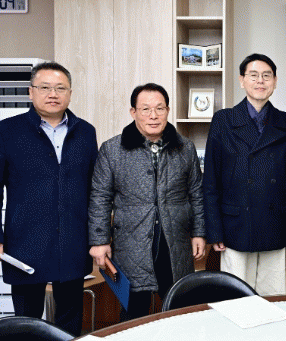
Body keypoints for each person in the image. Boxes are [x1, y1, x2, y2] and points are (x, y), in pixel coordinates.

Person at [0, 62, 98, 336]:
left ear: (70, 94)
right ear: (31, 92)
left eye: (60, 88)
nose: (53, 94)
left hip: (73, 241)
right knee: (27, 323)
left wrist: (99, 237)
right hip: (25, 244)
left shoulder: (86, 132)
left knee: (69, 323)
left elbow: (95, 190)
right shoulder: (5, 131)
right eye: (45, 87)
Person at [88, 83, 206, 320]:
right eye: (145, 109)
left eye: (160, 108)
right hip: (131, 243)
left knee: (179, 311)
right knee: (134, 313)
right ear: (133, 112)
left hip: (175, 242)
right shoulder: (112, 149)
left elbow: (196, 193)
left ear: (168, 111)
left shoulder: (185, 147)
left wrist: (199, 233)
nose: (153, 115)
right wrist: (99, 240)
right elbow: (100, 197)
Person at [203, 54, 286, 295]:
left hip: (275, 224)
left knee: (272, 297)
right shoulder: (223, 120)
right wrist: (214, 230)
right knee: (236, 300)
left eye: (267, 76)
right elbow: (211, 180)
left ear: (275, 81)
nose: (260, 81)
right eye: (253, 75)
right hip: (234, 226)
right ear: (241, 80)